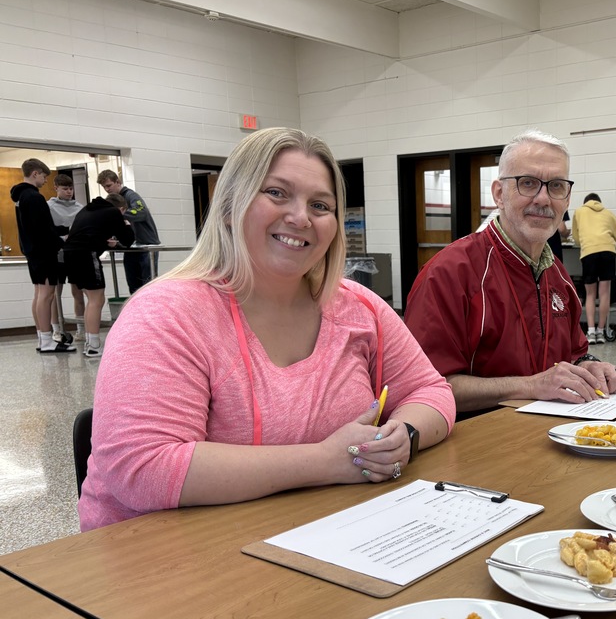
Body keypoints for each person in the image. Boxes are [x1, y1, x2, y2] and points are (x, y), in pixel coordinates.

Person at [79, 127, 456, 531]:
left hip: (313, 533)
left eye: (320, 205)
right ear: (229, 206)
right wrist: (325, 460)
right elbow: (143, 467)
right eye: (276, 193)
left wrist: (403, 436)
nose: (300, 218)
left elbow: (429, 390)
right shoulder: (166, 314)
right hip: (164, 558)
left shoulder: (356, 305)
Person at [404, 129, 616, 415]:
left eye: (557, 186)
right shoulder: (449, 273)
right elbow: (424, 388)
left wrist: (590, 367)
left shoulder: (557, 275)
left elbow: (574, 355)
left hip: (553, 436)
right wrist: (529, 386)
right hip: (478, 444)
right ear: (499, 193)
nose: (543, 198)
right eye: (528, 183)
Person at [9, 159, 75, 353]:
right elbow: (43, 229)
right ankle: (47, 341)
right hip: (43, 252)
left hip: (33, 251)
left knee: (39, 294)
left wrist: (62, 230)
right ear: (35, 173)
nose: (46, 180)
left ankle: (42, 337)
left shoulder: (21, 196)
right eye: (45, 176)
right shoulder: (33, 197)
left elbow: (39, 225)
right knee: (46, 296)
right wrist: (61, 239)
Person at [63, 193, 135, 358]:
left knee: (91, 299)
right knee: (97, 299)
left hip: (70, 254)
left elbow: (86, 232)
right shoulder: (113, 212)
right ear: (121, 208)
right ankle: (94, 346)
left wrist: (103, 241)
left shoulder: (87, 210)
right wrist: (126, 223)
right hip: (86, 254)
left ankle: (90, 342)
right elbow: (128, 239)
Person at [571, 192, 616, 344]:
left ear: (586, 202)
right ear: (599, 202)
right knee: (605, 293)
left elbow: (576, 238)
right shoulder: (608, 214)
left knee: (590, 294)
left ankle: (590, 333)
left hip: (589, 253)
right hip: (608, 252)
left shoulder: (579, 212)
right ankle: (601, 332)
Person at [96, 169, 160, 293]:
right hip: (130, 247)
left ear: (118, 182)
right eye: (104, 187)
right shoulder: (112, 200)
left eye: (109, 185)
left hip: (146, 246)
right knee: (133, 286)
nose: (107, 189)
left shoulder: (131, 195)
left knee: (147, 286)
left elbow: (142, 212)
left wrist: (120, 214)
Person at [47, 173, 86, 342]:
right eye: (65, 189)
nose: (69, 192)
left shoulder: (80, 207)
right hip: (57, 254)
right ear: (56, 188)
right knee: (56, 293)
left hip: (76, 253)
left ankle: (81, 328)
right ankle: (57, 329)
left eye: (71, 188)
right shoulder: (49, 206)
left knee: (78, 292)